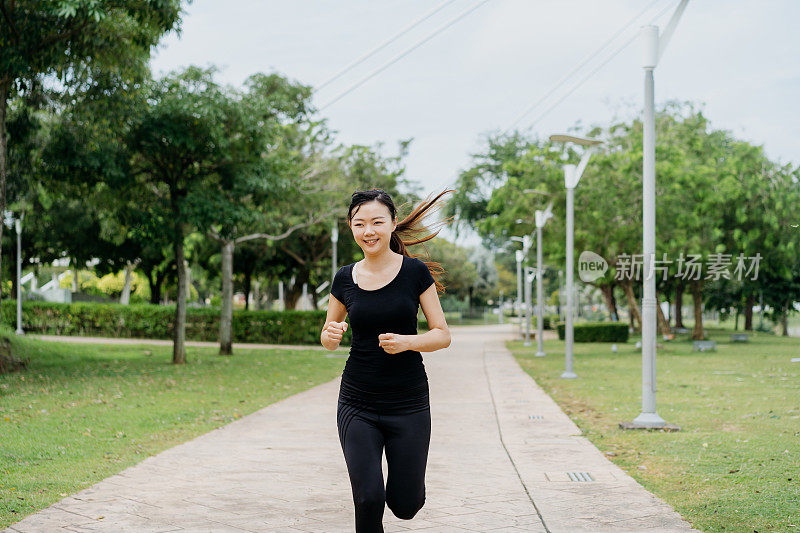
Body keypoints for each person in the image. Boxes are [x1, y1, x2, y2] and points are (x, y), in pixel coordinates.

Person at [321, 188, 453, 532]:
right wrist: (330, 336)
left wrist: (409, 342)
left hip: (407, 403)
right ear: (351, 228)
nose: (369, 231)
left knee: (406, 505)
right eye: (359, 223)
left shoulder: (415, 273)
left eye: (377, 222)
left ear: (393, 224)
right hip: (357, 402)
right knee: (368, 499)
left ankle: (409, 496)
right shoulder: (344, 277)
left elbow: (442, 334)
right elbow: (328, 333)